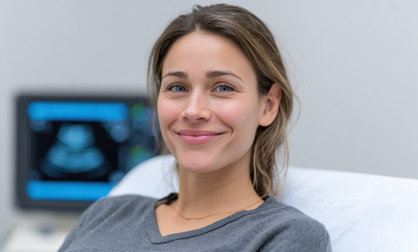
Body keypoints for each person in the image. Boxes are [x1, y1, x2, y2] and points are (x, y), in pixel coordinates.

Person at [59, 4, 331, 251]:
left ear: (268, 105)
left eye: (223, 88)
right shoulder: (105, 213)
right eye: (177, 87)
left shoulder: (286, 236)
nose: (193, 111)